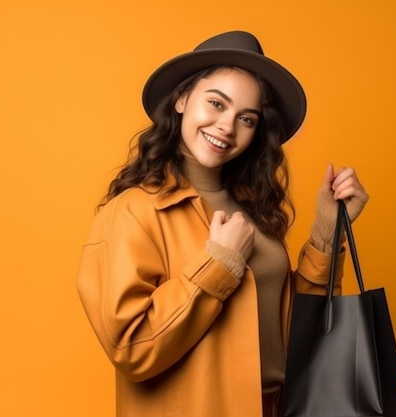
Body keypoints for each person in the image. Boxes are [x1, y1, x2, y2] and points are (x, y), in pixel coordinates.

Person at [76, 30, 369, 417]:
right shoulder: (134, 210)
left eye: (246, 118)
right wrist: (219, 264)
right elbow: (132, 348)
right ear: (181, 100)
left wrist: (326, 236)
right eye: (216, 103)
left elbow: (296, 334)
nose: (227, 127)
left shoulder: (254, 210)